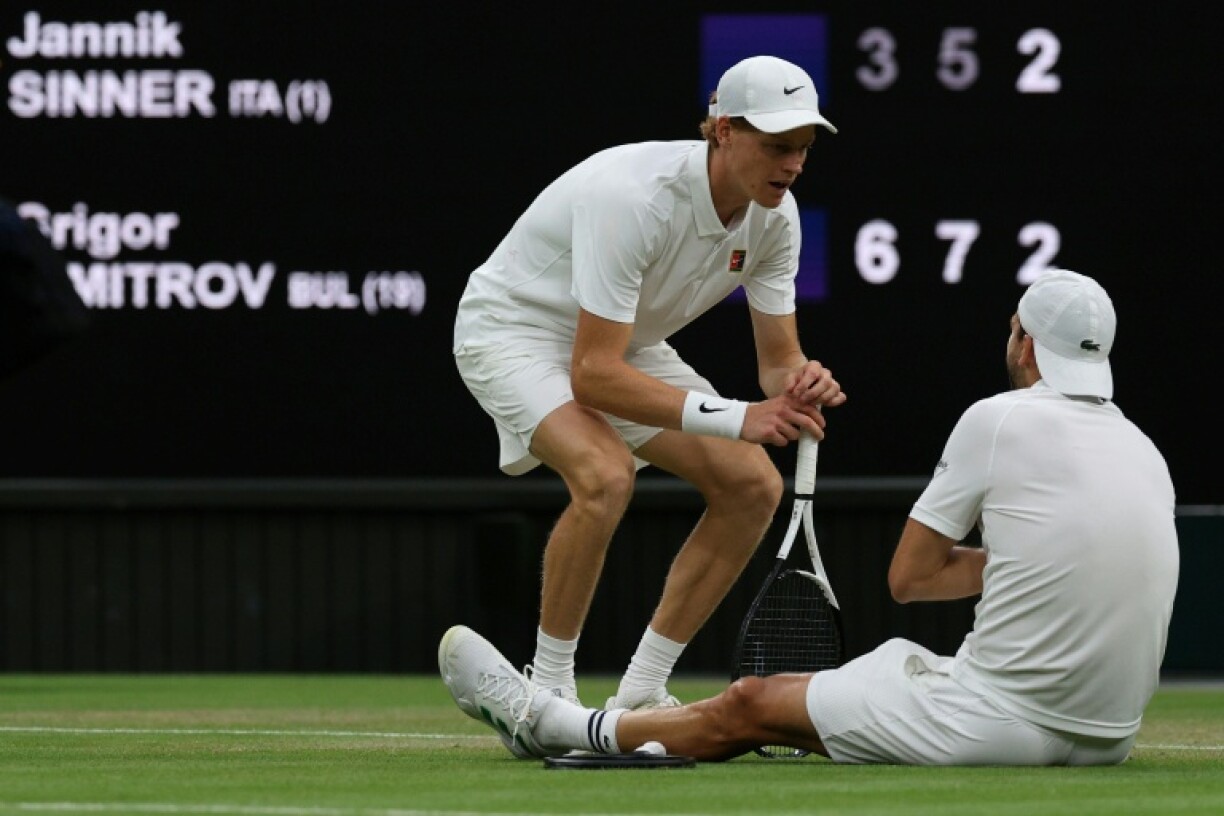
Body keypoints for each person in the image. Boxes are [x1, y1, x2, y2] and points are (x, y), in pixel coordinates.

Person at [440, 269, 1180, 765]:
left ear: (1021, 340)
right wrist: (1031, 561)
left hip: (998, 721)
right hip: (1110, 733)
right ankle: (631, 707)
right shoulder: (1146, 450)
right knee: (859, 677)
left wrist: (1012, 564)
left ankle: (555, 724)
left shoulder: (997, 419)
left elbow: (911, 579)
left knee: (753, 704)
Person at [451, 55, 847, 712]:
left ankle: (640, 692)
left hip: (618, 343)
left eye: (803, 148)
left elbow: (778, 362)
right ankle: (546, 690)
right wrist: (741, 417)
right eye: (778, 145)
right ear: (722, 130)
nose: (794, 163)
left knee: (752, 486)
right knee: (605, 475)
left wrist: (799, 382)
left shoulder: (778, 218)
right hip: (512, 331)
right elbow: (593, 376)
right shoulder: (632, 197)